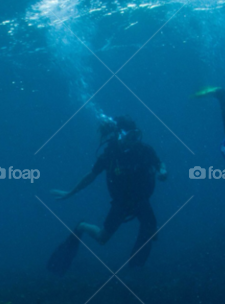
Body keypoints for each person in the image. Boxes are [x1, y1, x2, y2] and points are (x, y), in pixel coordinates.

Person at [47, 116, 167, 274]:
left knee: (153, 233)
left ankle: (136, 267)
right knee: (102, 238)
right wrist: (70, 193)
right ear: (119, 134)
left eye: (136, 135)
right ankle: (81, 226)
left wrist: (163, 172)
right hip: (121, 203)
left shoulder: (144, 150)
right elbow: (91, 176)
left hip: (141, 200)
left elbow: (159, 164)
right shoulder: (110, 154)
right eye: (129, 136)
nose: (134, 140)